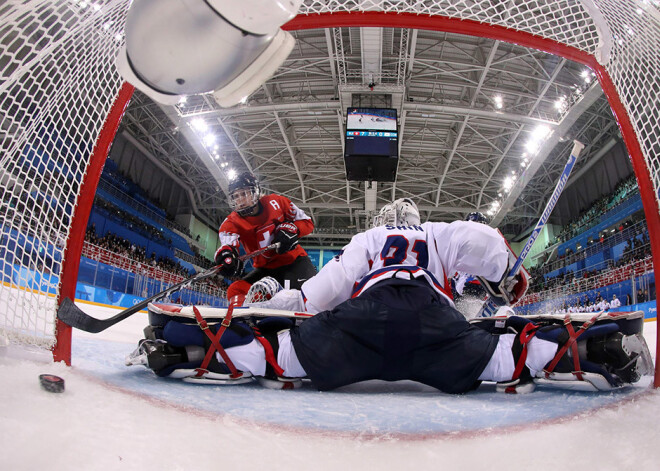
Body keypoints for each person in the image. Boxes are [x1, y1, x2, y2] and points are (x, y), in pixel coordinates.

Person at [127, 198, 652, 393]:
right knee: (501, 358)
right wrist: (511, 274)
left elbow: (323, 293)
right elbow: (482, 240)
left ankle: (183, 348)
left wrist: (279, 305)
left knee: (282, 356)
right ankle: (598, 350)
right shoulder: (437, 234)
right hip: (431, 324)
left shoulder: (368, 239)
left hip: (363, 319)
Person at [214, 172, 317, 300]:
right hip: (265, 270)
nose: (240, 200)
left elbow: (307, 222)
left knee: (310, 297)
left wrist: (294, 229)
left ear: (255, 192)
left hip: (294, 262)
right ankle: (252, 317)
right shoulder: (230, 223)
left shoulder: (277, 202)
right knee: (236, 290)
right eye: (235, 196)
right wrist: (226, 258)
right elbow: (228, 248)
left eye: (244, 194)